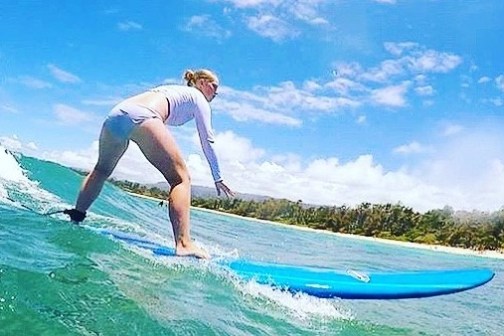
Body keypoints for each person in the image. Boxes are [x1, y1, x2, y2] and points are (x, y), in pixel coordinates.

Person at [64, 69, 234, 259]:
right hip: (143, 116)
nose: (215, 93)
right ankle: (184, 244)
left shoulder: (173, 90)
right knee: (181, 179)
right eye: (214, 87)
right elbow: (207, 140)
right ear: (201, 82)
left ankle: (76, 216)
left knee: (101, 170)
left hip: (116, 115)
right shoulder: (198, 97)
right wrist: (217, 176)